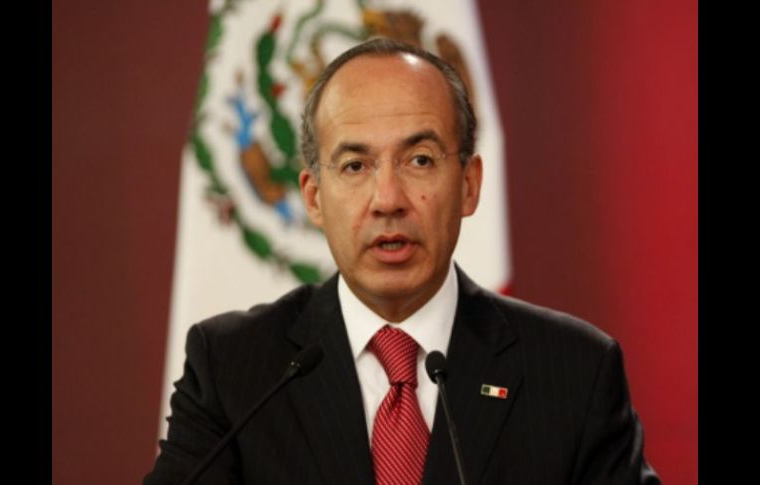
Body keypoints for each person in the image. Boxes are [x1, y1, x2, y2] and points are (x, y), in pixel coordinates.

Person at [145, 38, 660, 484]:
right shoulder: (234, 369)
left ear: (469, 184)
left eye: (419, 160)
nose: (387, 199)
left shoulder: (574, 372)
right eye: (355, 165)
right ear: (314, 197)